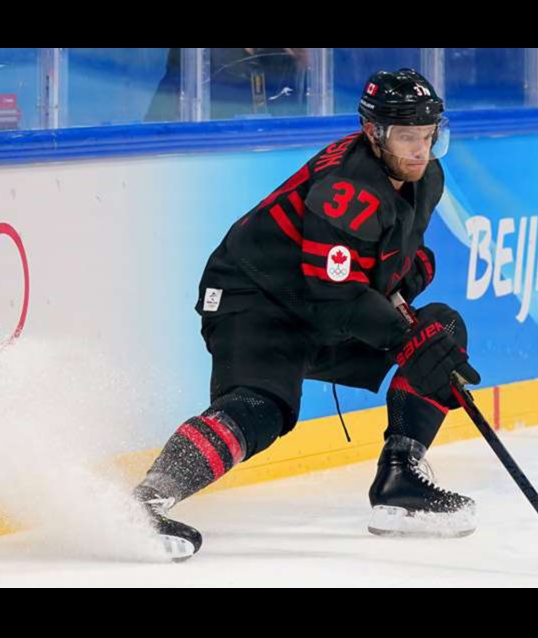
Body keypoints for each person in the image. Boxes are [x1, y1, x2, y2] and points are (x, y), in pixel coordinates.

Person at [134, 68, 480, 560]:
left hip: (319, 301)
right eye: (407, 137)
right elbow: (337, 297)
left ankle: (401, 484)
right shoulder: (345, 189)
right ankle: (146, 499)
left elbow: (386, 266)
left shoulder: (424, 178)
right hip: (252, 296)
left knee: (441, 330)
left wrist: (411, 277)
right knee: (261, 407)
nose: (420, 150)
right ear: (373, 133)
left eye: (428, 136)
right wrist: (402, 337)